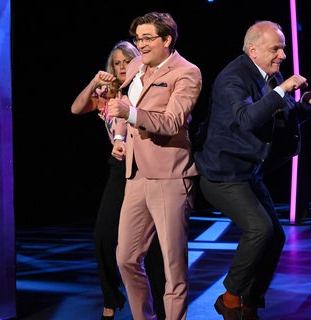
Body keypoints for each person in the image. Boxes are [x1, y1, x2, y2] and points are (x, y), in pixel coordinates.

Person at [193, 21, 311, 320]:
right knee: (260, 228)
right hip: (222, 174)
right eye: (275, 48)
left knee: (275, 236)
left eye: (282, 47)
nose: (282, 54)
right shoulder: (233, 77)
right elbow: (247, 119)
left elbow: (280, 119)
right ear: (253, 50)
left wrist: (308, 106)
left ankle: (250, 304)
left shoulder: (269, 75)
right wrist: (282, 89)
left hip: (249, 173)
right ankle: (229, 297)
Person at [106, 12, 202, 320]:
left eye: (148, 38)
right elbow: (120, 109)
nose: (141, 45)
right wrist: (119, 136)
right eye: (138, 39)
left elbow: (172, 121)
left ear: (167, 39)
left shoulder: (186, 73)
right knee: (126, 258)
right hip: (136, 175)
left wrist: (131, 113)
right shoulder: (136, 66)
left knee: (173, 267)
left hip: (170, 176)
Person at [70, 40, 166, 320]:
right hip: (119, 168)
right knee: (103, 236)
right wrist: (94, 81)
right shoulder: (107, 93)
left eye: (127, 61)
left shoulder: (143, 90)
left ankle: (158, 308)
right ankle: (112, 297)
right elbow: (76, 108)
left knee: (152, 249)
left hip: (148, 167)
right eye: (117, 63)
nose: (122, 67)